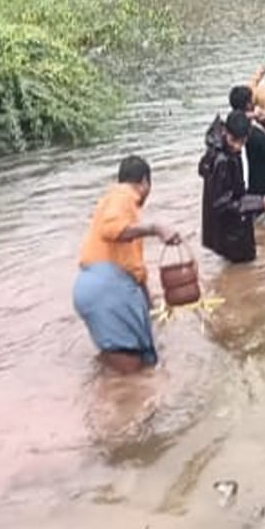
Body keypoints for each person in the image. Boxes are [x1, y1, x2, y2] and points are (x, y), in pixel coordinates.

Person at [74, 156, 182, 373]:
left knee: (123, 367)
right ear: (144, 183)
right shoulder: (123, 195)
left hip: (94, 288)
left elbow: (132, 266)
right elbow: (112, 229)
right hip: (107, 291)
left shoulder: (109, 200)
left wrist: (149, 304)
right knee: (133, 377)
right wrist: (155, 228)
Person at [200, 111, 265, 263]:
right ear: (225, 132)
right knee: (244, 265)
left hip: (223, 227)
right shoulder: (222, 161)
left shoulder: (215, 149)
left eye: (241, 142)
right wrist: (260, 202)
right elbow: (223, 202)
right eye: (233, 141)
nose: (237, 146)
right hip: (230, 229)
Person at [206, 86, 265, 197]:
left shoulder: (230, 126)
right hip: (260, 188)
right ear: (248, 105)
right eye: (252, 101)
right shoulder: (255, 134)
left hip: (247, 189)